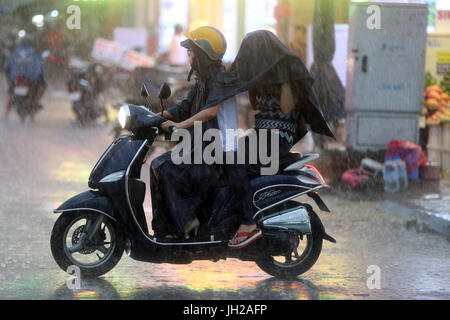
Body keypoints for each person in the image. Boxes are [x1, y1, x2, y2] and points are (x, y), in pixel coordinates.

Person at [198, 30, 334, 248]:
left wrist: (284, 78)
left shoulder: (286, 69)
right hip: (260, 134)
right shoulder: (260, 74)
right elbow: (255, 105)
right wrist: (254, 79)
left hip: (277, 136)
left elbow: (287, 107)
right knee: (222, 157)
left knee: (234, 161)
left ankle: (248, 222)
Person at [150, 26, 239, 239]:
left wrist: (181, 126)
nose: (188, 57)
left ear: (203, 54)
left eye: (191, 52)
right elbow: (186, 105)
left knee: (169, 169)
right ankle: (167, 229)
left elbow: (210, 111)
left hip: (220, 151)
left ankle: (189, 225)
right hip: (205, 146)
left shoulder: (219, 78)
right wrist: (159, 115)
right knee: (158, 165)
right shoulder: (203, 79)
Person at [3, 34, 45, 120]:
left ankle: (5, 115)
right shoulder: (34, 53)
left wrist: (10, 80)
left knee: (10, 93)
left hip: (16, 80)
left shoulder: (14, 53)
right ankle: (36, 101)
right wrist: (40, 78)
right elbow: (40, 68)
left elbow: (6, 67)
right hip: (31, 80)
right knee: (42, 86)